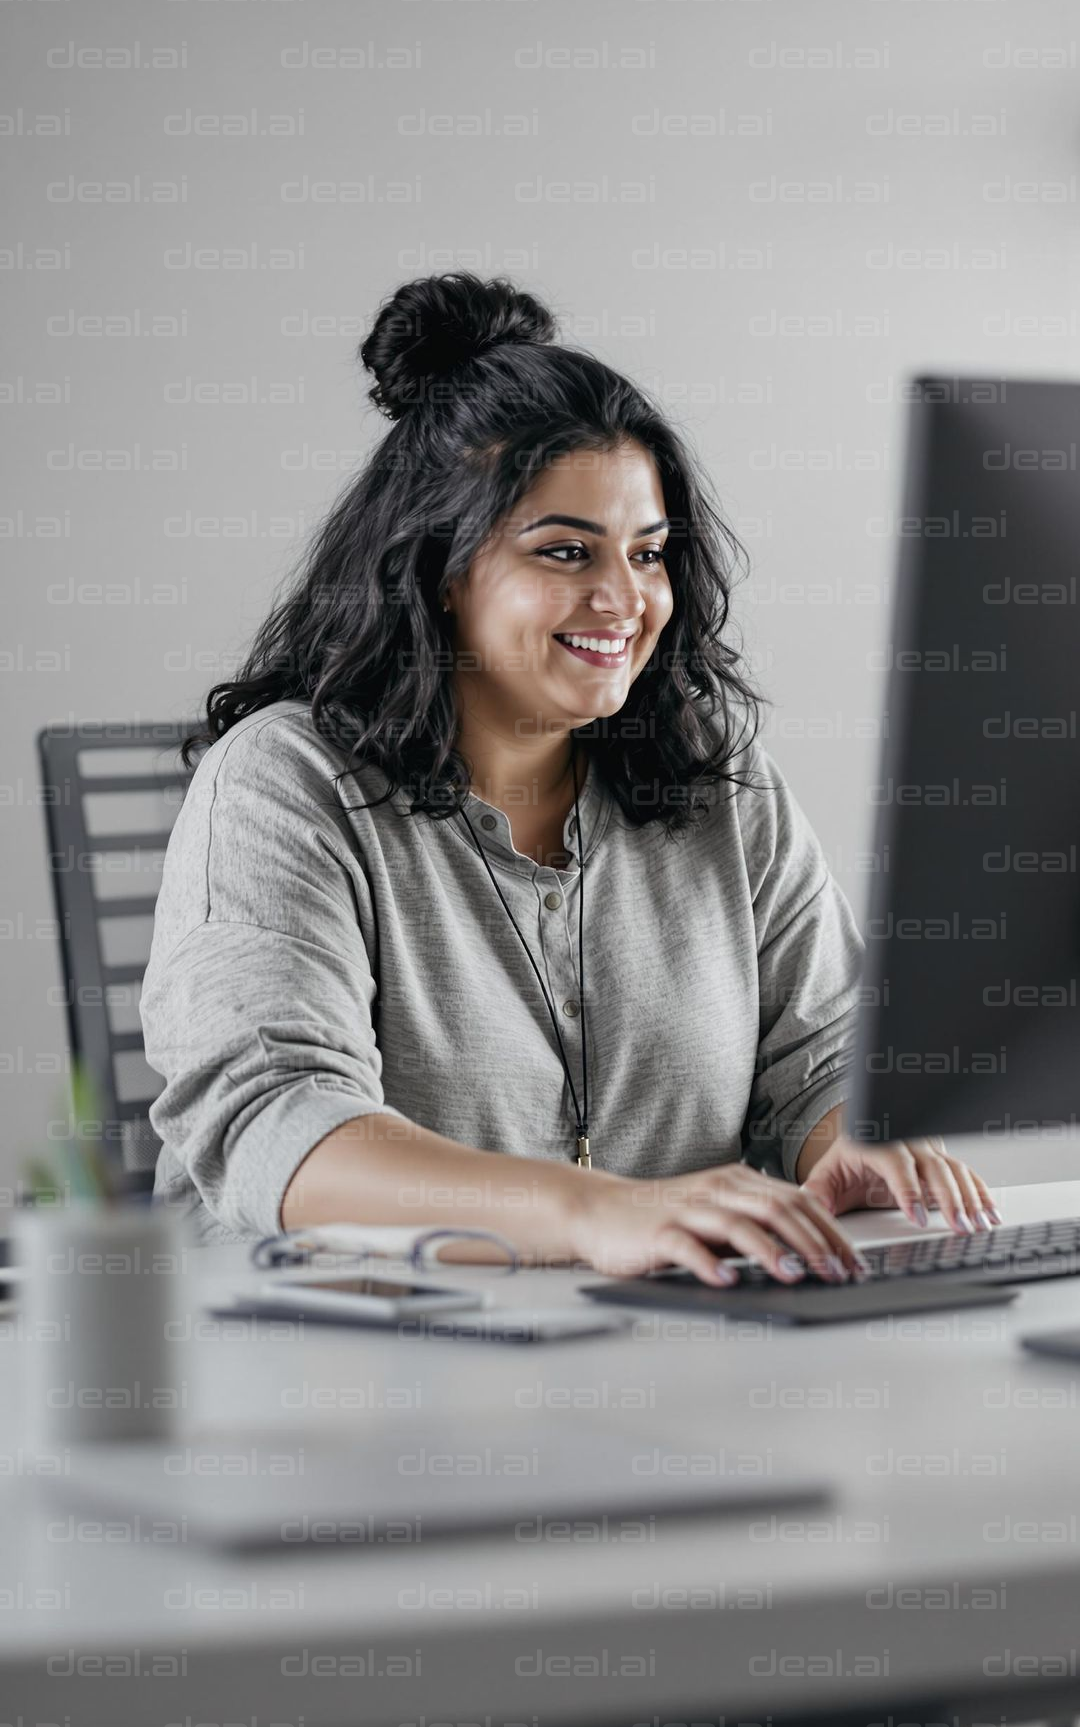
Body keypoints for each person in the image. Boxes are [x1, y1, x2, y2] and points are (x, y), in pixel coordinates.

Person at [140, 270, 1000, 1281]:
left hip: (665, 1346)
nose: (624, 599)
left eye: (648, 553)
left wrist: (848, 1141)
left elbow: (819, 1048)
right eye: (564, 553)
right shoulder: (283, 784)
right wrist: (600, 1214)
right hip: (337, 1356)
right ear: (436, 571)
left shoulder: (715, 777)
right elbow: (279, 1125)